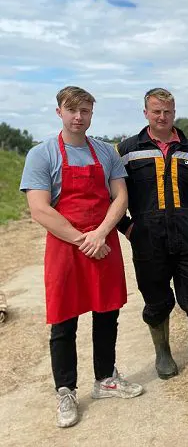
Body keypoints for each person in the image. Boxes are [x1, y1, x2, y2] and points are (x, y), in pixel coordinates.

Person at [20, 86, 143, 429]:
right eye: (72, 110)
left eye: (85, 111)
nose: (78, 117)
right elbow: (39, 208)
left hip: (102, 240)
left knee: (107, 312)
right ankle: (65, 390)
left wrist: (101, 233)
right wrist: (82, 239)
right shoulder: (42, 154)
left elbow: (120, 197)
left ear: (91, 114)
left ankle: (105, 378)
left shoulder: (106, 153)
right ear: (59, 112)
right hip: (66, 246)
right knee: (64, 321)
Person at [116, 87, 188, 380]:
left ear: (174, 113)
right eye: (156, 111)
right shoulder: (125, 150)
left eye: (167, 111)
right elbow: (109, 194)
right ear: (146, 114)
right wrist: (126, 227)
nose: (162, 116)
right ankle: (163, 354)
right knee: (156, 299)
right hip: (147, 239)